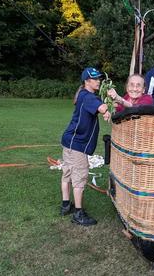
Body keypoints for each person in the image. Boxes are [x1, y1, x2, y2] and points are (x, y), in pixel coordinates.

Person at [60, 67, 111, 226]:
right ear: (86, 81)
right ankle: (78, 213)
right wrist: (108, 107)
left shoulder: (83, 95)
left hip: (69, 141)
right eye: (95, 79)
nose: (99, 81)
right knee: (80, 177)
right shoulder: (88, 97)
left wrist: (104, 109)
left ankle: (65, 205)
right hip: (77, 145)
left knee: (67, 172)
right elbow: (102, 108)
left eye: (99, 78)